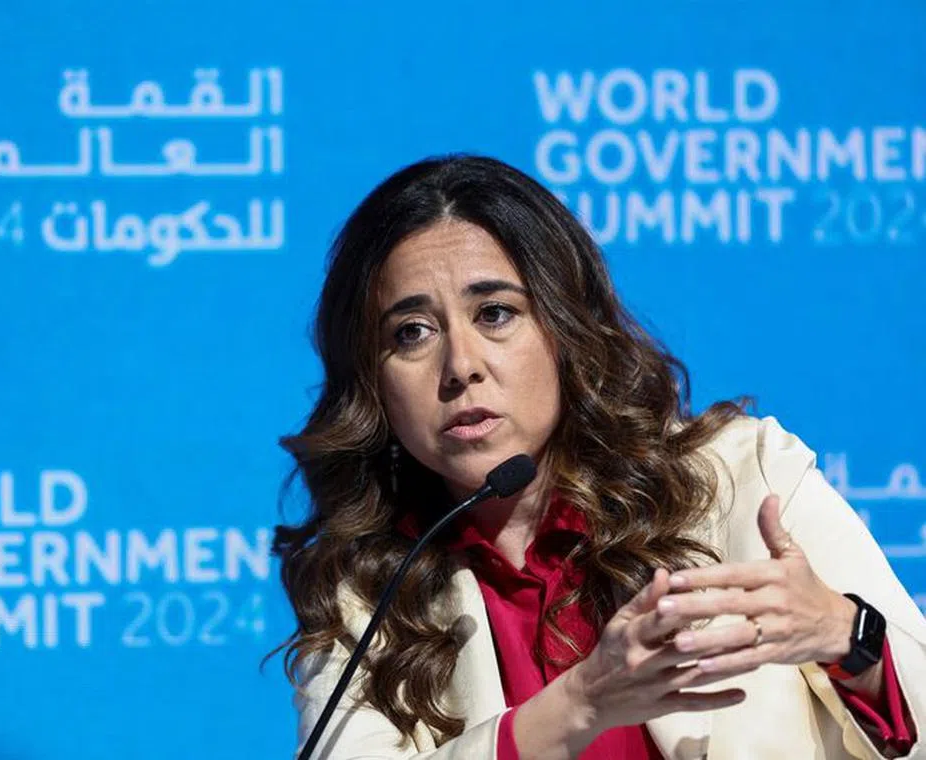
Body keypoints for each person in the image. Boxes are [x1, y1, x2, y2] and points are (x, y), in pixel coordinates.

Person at [270, 155, 926, 759]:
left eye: (495, 313)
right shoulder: (365, 587)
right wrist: (581, 704)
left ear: (563, 328)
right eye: (411, 333)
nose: (461, 366)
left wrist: (849, 637)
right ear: (373, 379)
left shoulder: (744, 481)